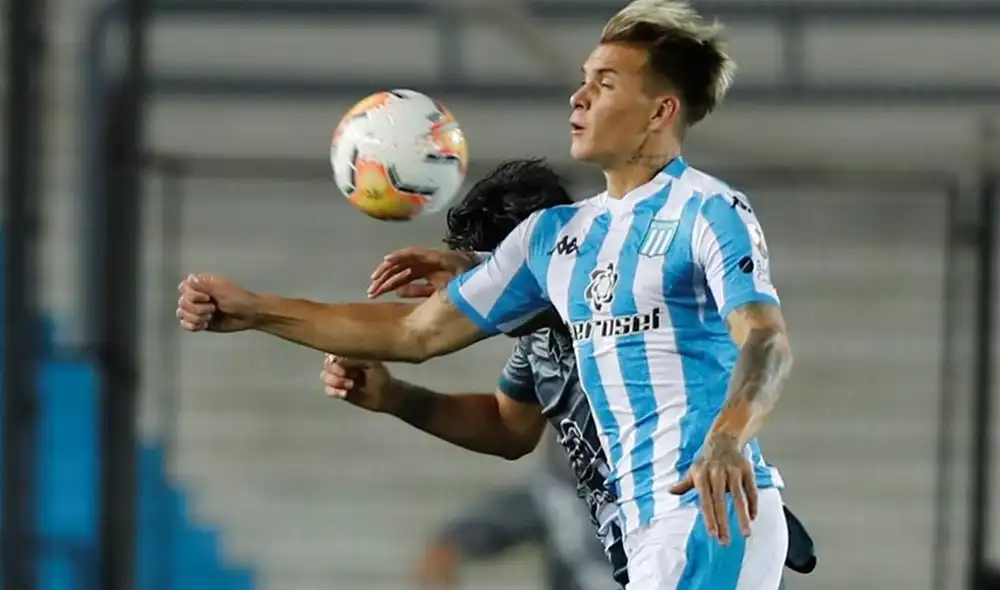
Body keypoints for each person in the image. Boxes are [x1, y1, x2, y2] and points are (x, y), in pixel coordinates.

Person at [176, 1, 796, 586]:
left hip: (709, 510)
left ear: (661, 111)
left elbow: (766, 341)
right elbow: (411, 333)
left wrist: (726, 437)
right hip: (643, 530)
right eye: (584, 79)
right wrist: (254, 310)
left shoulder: (709, 210)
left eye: (605, 84)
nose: (578, 96)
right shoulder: (553, 240)